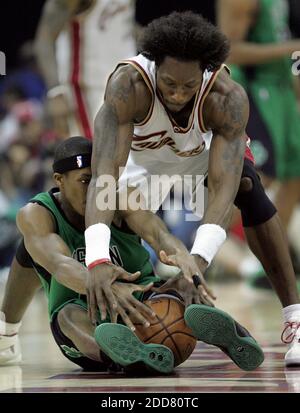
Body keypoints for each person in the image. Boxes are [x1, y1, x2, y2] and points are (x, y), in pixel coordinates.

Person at [84, 11, 300, 367]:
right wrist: (96, 258)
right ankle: (155, 307)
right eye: (170, 84)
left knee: (248, 185)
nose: (179, 94)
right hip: (142, 161)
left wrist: (197, 262)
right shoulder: (128, 85)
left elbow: (223, 187)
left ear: (205, 73)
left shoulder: (227, 96)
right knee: (103, 217)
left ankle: (294, 315)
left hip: (198, 156)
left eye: (189, 85)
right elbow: (105, 177)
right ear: (154, 67)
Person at [0, 137, 264, 372]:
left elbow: (157, 232)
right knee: (68, 316)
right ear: (59, 180)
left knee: (182, 292)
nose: (94, 189)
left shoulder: (120, 197)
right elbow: (60, 265)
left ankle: (234, 338)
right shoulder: (37, 214)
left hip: (143, 304)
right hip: (85, 312)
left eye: (98, 180)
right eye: (84, 180)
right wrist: (110, 289)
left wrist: (180, 254)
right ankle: (124, 356)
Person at [217, 0, 300, 283]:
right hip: (254, 90)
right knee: (257, 182)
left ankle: (272, 262)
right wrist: (290, 50)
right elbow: (229, 49)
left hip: (281, 90)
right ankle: (199, 241)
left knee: (294, 176)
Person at [34, 0, 136, 138]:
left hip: (127, 82)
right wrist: (55, 92)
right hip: (88, 90)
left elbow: (120, 24)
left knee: (131, 152)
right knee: (96, 153)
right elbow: (44, 41)